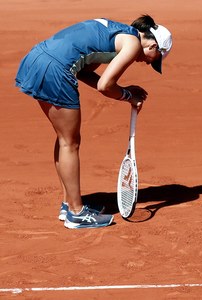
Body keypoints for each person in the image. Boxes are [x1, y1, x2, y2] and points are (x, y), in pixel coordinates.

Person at [15, 15, 173, 229]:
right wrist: (128, 96)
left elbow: (84, 72)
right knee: (70, 143)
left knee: (65, 139)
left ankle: (69, 204)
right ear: (153, 45)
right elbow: (105, 86)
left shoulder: (115, 32)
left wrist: (125, 92)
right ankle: (76, 213)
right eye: (153, 59)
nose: (147, 62)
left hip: (37, 58)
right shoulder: (133, 44)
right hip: (55, 70)